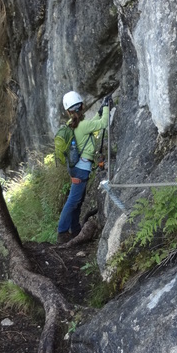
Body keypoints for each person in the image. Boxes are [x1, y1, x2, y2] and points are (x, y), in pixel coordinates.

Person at [57, 90, 112, 243]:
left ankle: (75, 229)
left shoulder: (73, 125)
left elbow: (91, 126)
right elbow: (102, 124)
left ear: (68, 111)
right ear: (81, 106)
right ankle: (62, 232)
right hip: (81, 169)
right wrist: (106, 108)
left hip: (75, 167)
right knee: (73, 200)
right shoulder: (82, 125)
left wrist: (100, 111)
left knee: (77, 200)